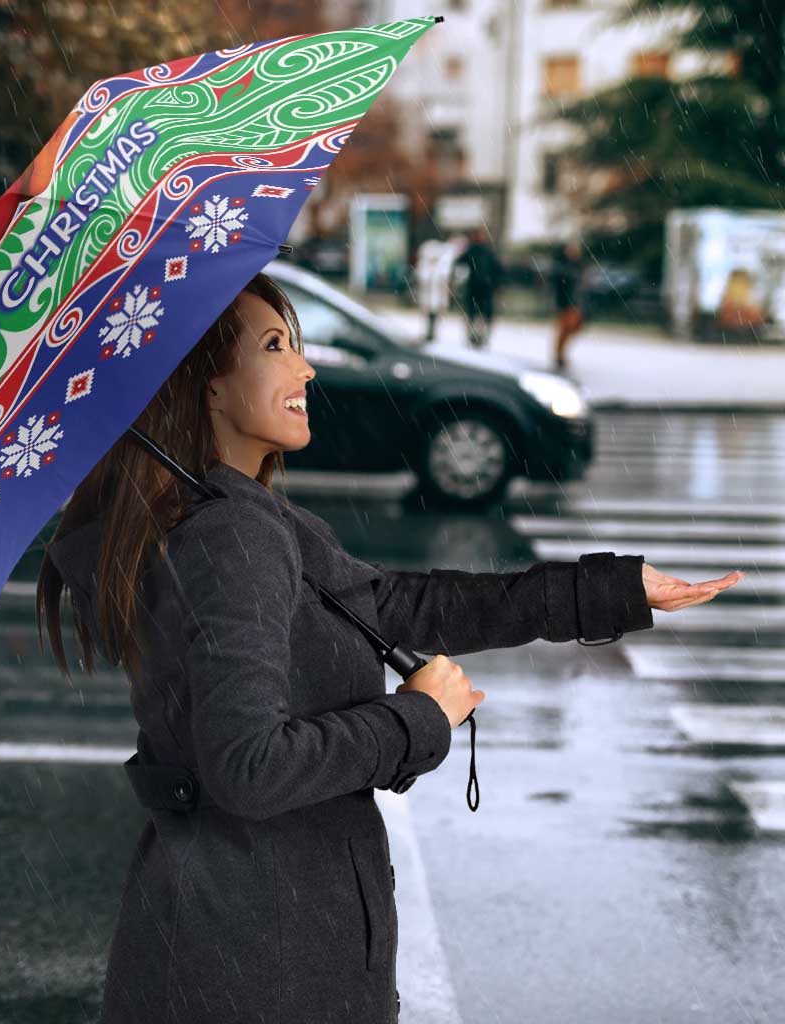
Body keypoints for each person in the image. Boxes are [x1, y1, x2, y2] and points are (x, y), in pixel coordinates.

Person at [37, 272, 742, 1024]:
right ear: (206, 388)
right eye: (276, 347)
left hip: (243, 943)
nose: (305, 368)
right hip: (257, 962)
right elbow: (248, 767)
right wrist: (416, 719)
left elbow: (405, 605)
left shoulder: (241, 519)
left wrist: (610, 590)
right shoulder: (230, 536)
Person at [453, 226, 503, 349]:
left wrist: (496, 284)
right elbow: (459, 264)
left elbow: (497, 270)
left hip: (484, 288)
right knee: (474, 314)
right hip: (476, 288)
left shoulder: (486, 252)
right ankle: (474, 337)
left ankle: (480, 337)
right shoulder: (473, 251)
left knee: (481, 315)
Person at [551, 239, 587, 371]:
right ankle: (559, 355)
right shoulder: (563, 267)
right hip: (566, 303)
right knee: (565, 329)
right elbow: (560, 286)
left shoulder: (578, 266)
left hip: (575, 303)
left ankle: (561, 354)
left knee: (573, 328)